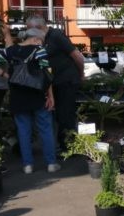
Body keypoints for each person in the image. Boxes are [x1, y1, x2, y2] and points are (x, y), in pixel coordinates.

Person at [25, 16, 85, 151]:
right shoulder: (40, 39)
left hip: (66, 80)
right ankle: (63, 144)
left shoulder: (56, 36)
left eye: (29, 29)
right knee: (59, 115)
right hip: (54, 82)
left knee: (65, 114)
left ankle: (68, 147)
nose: (28, 32)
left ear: (38, 27)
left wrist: (81, 74)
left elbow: (77, 56)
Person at [4, 28, 59, 174]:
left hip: (17, 97)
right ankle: (51, 163)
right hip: (38, 96)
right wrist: (51, 96)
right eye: (41, 41)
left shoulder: (10, 51)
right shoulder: (39, 51)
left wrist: (6, 75)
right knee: (45, 129)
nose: (42, 44)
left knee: (23, 131)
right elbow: (47, 74)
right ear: (35, 39)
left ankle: (27, 165)